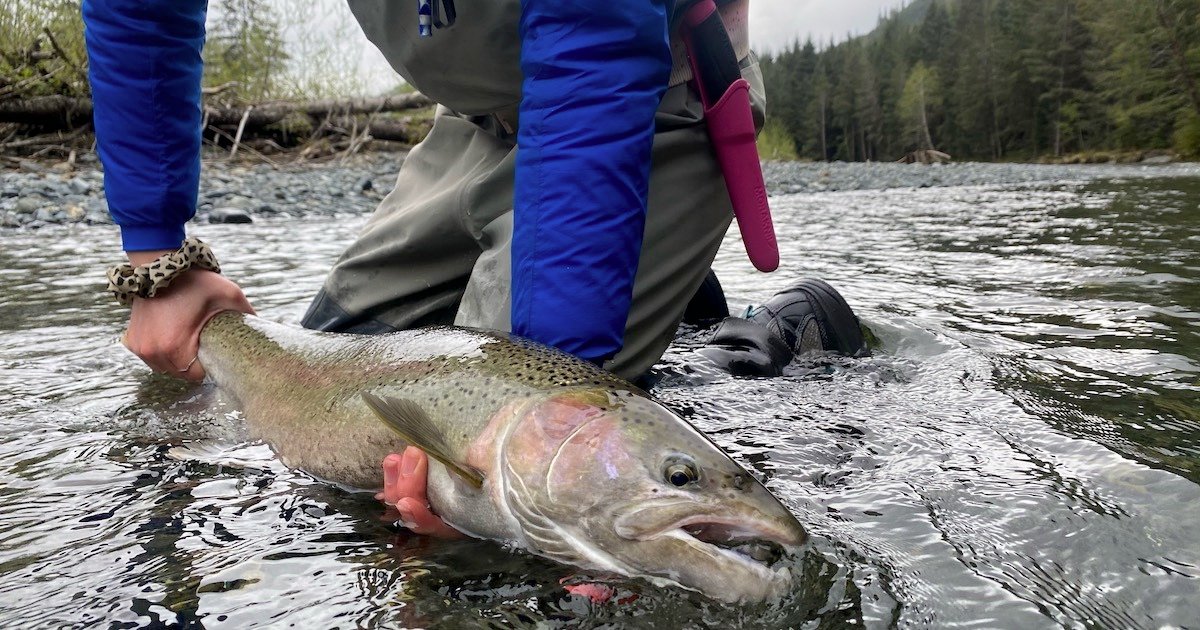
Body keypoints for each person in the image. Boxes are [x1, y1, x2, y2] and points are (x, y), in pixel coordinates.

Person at [88, 0, 863, 538]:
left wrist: (527, 461)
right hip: (473, 118)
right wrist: (158, 259)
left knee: (500, 509)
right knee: (311, 408)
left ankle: (771, 340)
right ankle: (665, 292)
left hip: (637, 90)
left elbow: (592, 46)